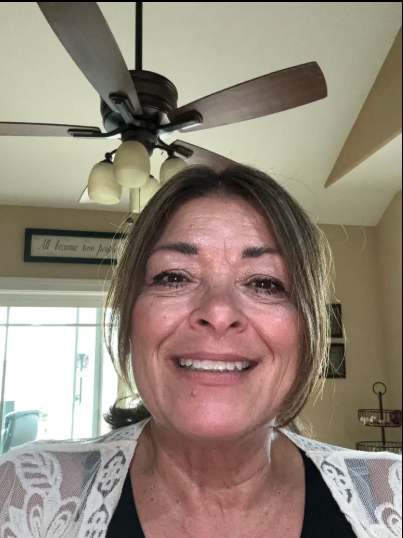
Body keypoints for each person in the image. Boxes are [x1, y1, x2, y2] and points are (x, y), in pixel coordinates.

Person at [0, 165, 401, 537]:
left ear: (307, 329)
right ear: (131, 316)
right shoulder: (22, 491)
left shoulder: (391, 496)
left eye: (264, 283)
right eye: (174, 276)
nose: (219, 311)